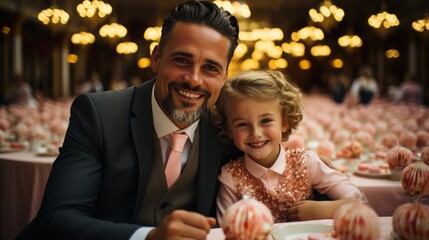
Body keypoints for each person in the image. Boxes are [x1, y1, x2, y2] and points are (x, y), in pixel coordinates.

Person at [17, 1, 239, 239]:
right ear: (156, 59)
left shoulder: (228, 127)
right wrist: (147, 237)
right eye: (182, 60)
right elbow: (56, 219)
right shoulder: (98, 114)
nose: (194, 79)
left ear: (225, 75)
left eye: (210, 68)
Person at [211, 70, 365, 223]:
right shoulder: (230, 177)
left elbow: (360, 201)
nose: (256, 133)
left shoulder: (307, 163)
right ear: (229, 130)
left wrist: (323, 210)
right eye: (242, 124)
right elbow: (226, 230)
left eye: (265, 121)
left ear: (284, 122)